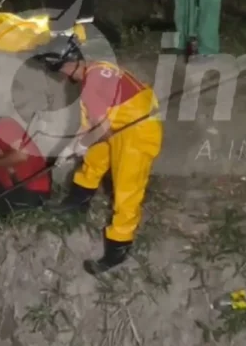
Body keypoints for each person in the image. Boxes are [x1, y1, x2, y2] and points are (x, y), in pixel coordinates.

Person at [35, 37, 163, 275]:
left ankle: (118, 247)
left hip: (138, 131)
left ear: (63, 64)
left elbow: (101, 131)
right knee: (94, 159)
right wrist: (73, 146)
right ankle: (77, 202)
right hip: (120, 123)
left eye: (57, 68)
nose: (60, 74)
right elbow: (93, 123)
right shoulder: (97, 68)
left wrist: (78, 146)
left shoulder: (90, 86)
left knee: (127, 190)